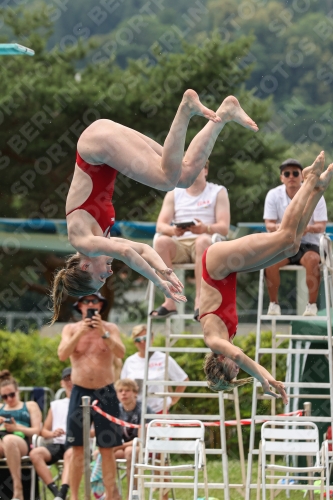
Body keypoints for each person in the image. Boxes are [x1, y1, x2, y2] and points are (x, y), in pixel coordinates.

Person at [50, 90, 258, 323]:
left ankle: (186, 108)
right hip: (101, 138)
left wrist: (159, 283)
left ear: (85, 265)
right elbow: (144, 250)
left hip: (96, 147)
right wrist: (165, 271)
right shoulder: (100, 241)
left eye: (101, 276)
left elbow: (127, 253)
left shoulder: (82, 241)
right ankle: (225, 112)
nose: (109, 273)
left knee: (167, 180)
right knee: (185, 174)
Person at [200, 152, 333, 401]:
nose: (237, 367)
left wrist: (264, 377)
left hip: (217, 264)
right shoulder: (224, 338)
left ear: (221, 360)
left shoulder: (215, 341)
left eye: (232, 371)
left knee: (284, 235)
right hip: (228, 271)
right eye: (237, 372)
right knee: (292, 245)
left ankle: (309, 179)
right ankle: (317, 190)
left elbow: (240, 357)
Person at [57, 293, 126, 500]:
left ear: (101, 305)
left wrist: (103, 332)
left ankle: (110, 496)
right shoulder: (70, 329)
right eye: (86, 301)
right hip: (80, 391)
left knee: (107, 449)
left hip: (105, 391)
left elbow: (121, 352)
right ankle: (76, 497)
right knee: (77, 449)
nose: (90, 305)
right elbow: (62, 354)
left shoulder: (110, 328)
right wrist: (81, 333)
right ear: (80, 306)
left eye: (94, 301)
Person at [151, 158, 230, 321]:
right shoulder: (174, 192)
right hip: (180, 243)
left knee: (202, 241)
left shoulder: (218, 191)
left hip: (206, 242)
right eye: (188, 168)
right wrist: (173, 230)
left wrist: (205, 228)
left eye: (197, 167)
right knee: (160, 242)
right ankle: (170, 301)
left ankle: (200, 302)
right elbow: (160, 225)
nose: (192, 172)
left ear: (205, 171)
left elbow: (224, 227)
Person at [264, 158, 328, 316]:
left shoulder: (316, 193)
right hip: (284, 243)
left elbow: (321, 226)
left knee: (313, 260)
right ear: (281, 178)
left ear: (302, 176)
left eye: (295, 173)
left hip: (308, 244)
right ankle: (273, 304)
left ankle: (312, 305)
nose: (291, 176)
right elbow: (269, 225)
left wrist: (307, 229)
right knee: (267, 261)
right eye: (287, 173)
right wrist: (284, 228)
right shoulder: (273, 195)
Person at [91, 379, 155, 500]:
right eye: (120, 391)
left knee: (130, 452)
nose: (123, 393)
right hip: (123, 446)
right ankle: (114, 494)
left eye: (127, 390)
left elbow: (141, 440)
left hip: (142, 447)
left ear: (135, 393)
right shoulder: (115, 409)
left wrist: (116, 446)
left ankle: (132, 494)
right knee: (101, 454)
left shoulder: (143, 409)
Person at [121, 324, 189, 413]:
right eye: (138, 340)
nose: (142, 342)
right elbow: (123, 386)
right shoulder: (130, 361)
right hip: (135, 412)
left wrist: (172, 401)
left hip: (158, 412)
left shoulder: (164, 358)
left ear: (152, 339)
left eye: (145, 338)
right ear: (134, 342)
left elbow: (183, 379)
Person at [30, 367, 73, 500]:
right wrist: (53, 433)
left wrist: (81, 432)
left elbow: (94, 430)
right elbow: (43, 431)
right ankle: (57, 494)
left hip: (76, 444)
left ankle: (63, 492)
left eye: (72, 378)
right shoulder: (56, 405)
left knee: (70, 453)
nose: (70, 381)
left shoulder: (86, 403)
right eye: (66, 379)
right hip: (57, 443)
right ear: (62, 383)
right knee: (35, 454)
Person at [0, 370, 42, 500]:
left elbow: (37, 430)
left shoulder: (29, 406)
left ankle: (18, 490)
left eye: (12, 394)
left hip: (21, 440)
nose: (9, 399)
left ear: (18, 391)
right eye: (5, 397)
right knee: (6, 440)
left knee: (9, 440)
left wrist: (16, 427)